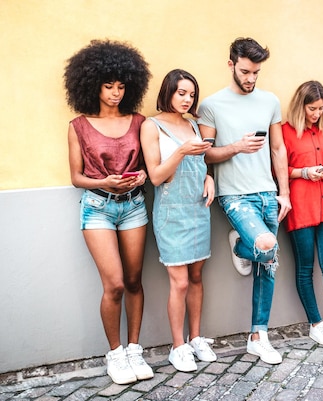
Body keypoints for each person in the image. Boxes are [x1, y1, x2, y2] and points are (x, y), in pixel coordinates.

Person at [64, 39, 153, 384]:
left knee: (134, 281)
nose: (115, 93)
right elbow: (75, 177)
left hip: (133, 206)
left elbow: (149, 163)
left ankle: (134, 349)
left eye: (121, 86)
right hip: (98, 208)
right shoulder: (78, 126)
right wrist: (105, 183)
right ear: (92, 85)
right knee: (114, 284)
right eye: (108, 86)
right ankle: (114, 354)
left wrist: (142, 174)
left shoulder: (139, 121)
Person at [197, 37, 291, 365]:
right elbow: (205, 153)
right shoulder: (211, 105)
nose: (251, 79)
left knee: (269, 263)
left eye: (256, 73)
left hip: (267, 192)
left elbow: (278, 149)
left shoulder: (269, 101)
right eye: (246, 71)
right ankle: (242, 244)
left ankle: (258, 336)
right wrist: (236, 147)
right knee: (266, 246)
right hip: (234, 195)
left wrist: (285, 193)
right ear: (231, 65)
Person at [140, 69, 217, 372]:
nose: (187, 99)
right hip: (171, 213)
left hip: (198, 209)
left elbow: (202, 166)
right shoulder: (151, 126)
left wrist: (209, 179)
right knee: (180, 282)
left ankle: (196, 337)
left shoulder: (195, 126)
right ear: (168, 92)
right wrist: (182, 151)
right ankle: (178, 346)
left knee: (197, 277)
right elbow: (157, 176)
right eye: (181, 93)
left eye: (192, 95)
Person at [282, 81, 323, 355]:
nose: (317, 113)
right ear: (300, 105)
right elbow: (278, 169)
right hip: (301, 208)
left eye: (321, 108)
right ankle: (315, 322)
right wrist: (303, 173)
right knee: (305, 268)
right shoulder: (284, 132)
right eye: (312, 108)